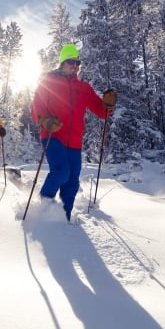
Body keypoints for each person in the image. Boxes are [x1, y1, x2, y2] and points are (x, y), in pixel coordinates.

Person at [30, 44, 117, 221]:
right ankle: (44, 205)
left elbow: (100, 111)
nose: (75, 66)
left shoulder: (83, 88)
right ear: (62, 62)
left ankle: (65, 217)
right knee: (61, 171)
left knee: (72, 182)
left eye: (78, 62)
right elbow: (35, 108)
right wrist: (45, 120)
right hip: (53, 135)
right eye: (71, 61)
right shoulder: (49, 82)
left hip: (75, 141)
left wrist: (108, 105)